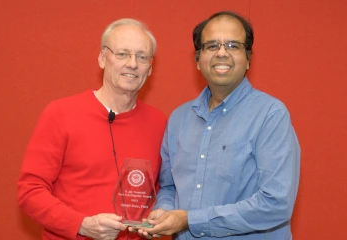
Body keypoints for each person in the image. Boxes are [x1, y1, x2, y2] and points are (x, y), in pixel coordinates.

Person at [135, 11, 301, 240]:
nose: (222, 53)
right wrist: (163, 211)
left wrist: (190, 220)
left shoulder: (270, 115)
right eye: (211, 46)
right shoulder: (178, 120)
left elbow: (276, 203)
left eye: (233, 45)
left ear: (248, 58)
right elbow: (169, 187)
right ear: (198, 59)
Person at [17, 18, 167, 240]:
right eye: (122, 54)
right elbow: (30, 191)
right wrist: (81, 224)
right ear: (102, 58)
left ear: (150, 68)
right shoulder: (60, 113)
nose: (133, 64)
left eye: (142, 57)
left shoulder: (160, 122)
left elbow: (164, 187)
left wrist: (159, 213)